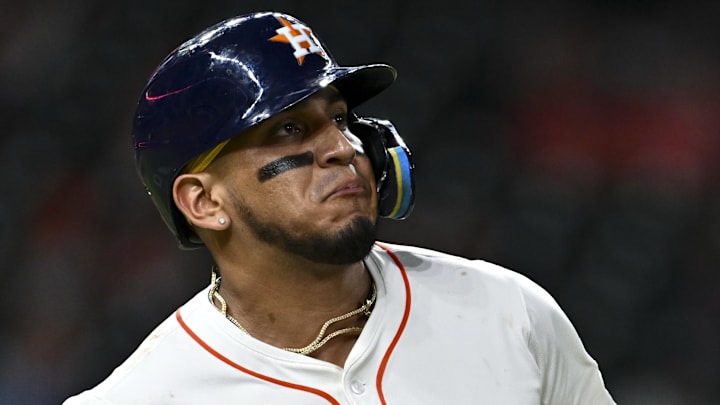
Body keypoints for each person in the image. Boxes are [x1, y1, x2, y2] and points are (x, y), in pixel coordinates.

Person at [64, 11, 615, 404]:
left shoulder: (509, 313)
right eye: (289, 129)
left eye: (342, 118)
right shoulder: (143, 394)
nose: (343, 147)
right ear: (205, 202)